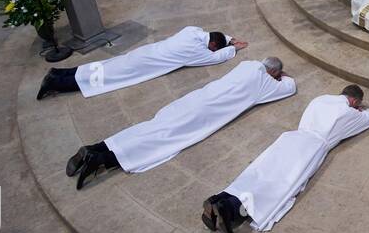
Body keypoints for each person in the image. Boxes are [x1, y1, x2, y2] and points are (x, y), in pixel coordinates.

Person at [65, 57, 296, 190]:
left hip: (194, 99)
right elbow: (290, 86)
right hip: (204, 114)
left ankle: (96, 147)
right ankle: (101, 159)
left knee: (151, 126)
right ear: (274, 72)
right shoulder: (265, 84)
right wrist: (280, 76)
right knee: (161, 141)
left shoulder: (247, 64)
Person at [202, 85, 369, 233]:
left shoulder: (321, 99)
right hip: (310, 149)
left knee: (260, 170)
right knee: (279, 184)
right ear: (354, 101)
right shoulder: (348, 112)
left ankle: (218, 198)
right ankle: (229, 209)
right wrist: (362, 111)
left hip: (291, 138)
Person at [36, 27, 244, 100]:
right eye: (214, 47)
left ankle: (58, 73)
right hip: (143, 65)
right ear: (214, 44)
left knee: (106, 66)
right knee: (106, 76)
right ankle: (57, 83)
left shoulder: (192, 32)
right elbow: (216, 57)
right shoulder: (196, 52)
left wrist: (229, 37)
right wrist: (234, 47)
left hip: (144, 53)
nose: (212, 51)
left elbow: (212, 36)